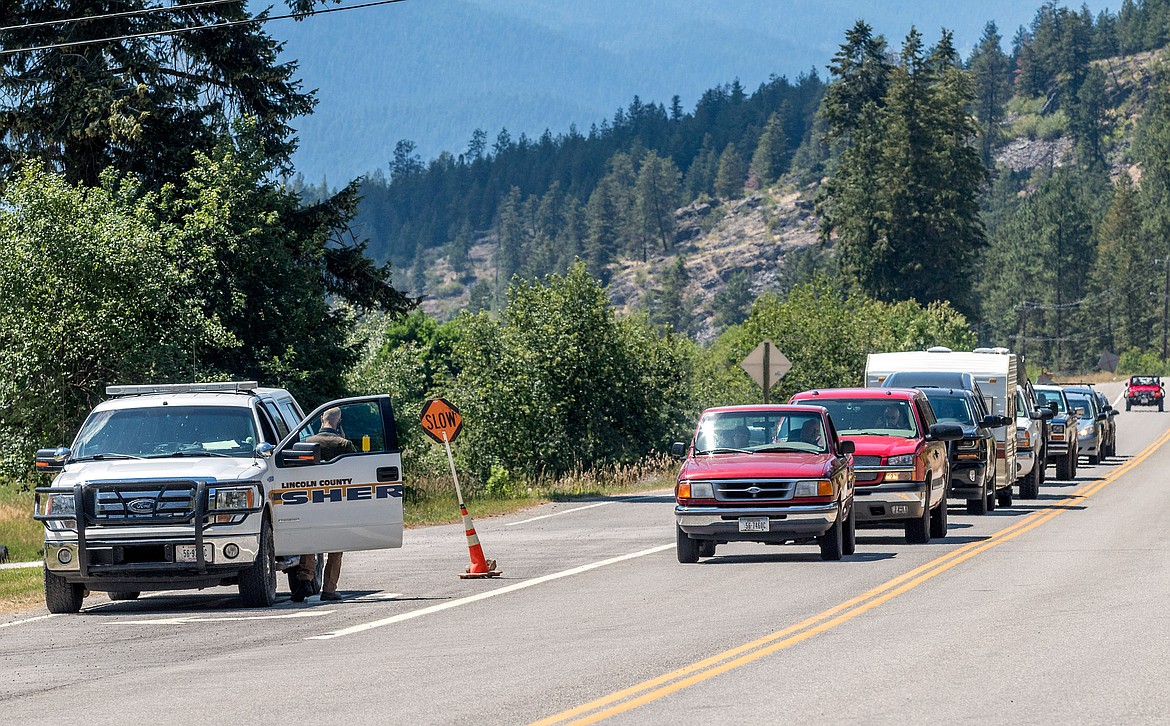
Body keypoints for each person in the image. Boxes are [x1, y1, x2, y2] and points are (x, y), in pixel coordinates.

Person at [291, 407, 357, 603]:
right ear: (339, 421)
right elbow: (355, 470)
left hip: (311, 500)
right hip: (337, 501)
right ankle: (329, 589)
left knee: (310, 539)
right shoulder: (344, 444)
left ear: (321, 419)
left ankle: (304, 579)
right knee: (336, 546)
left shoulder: (305, 443)